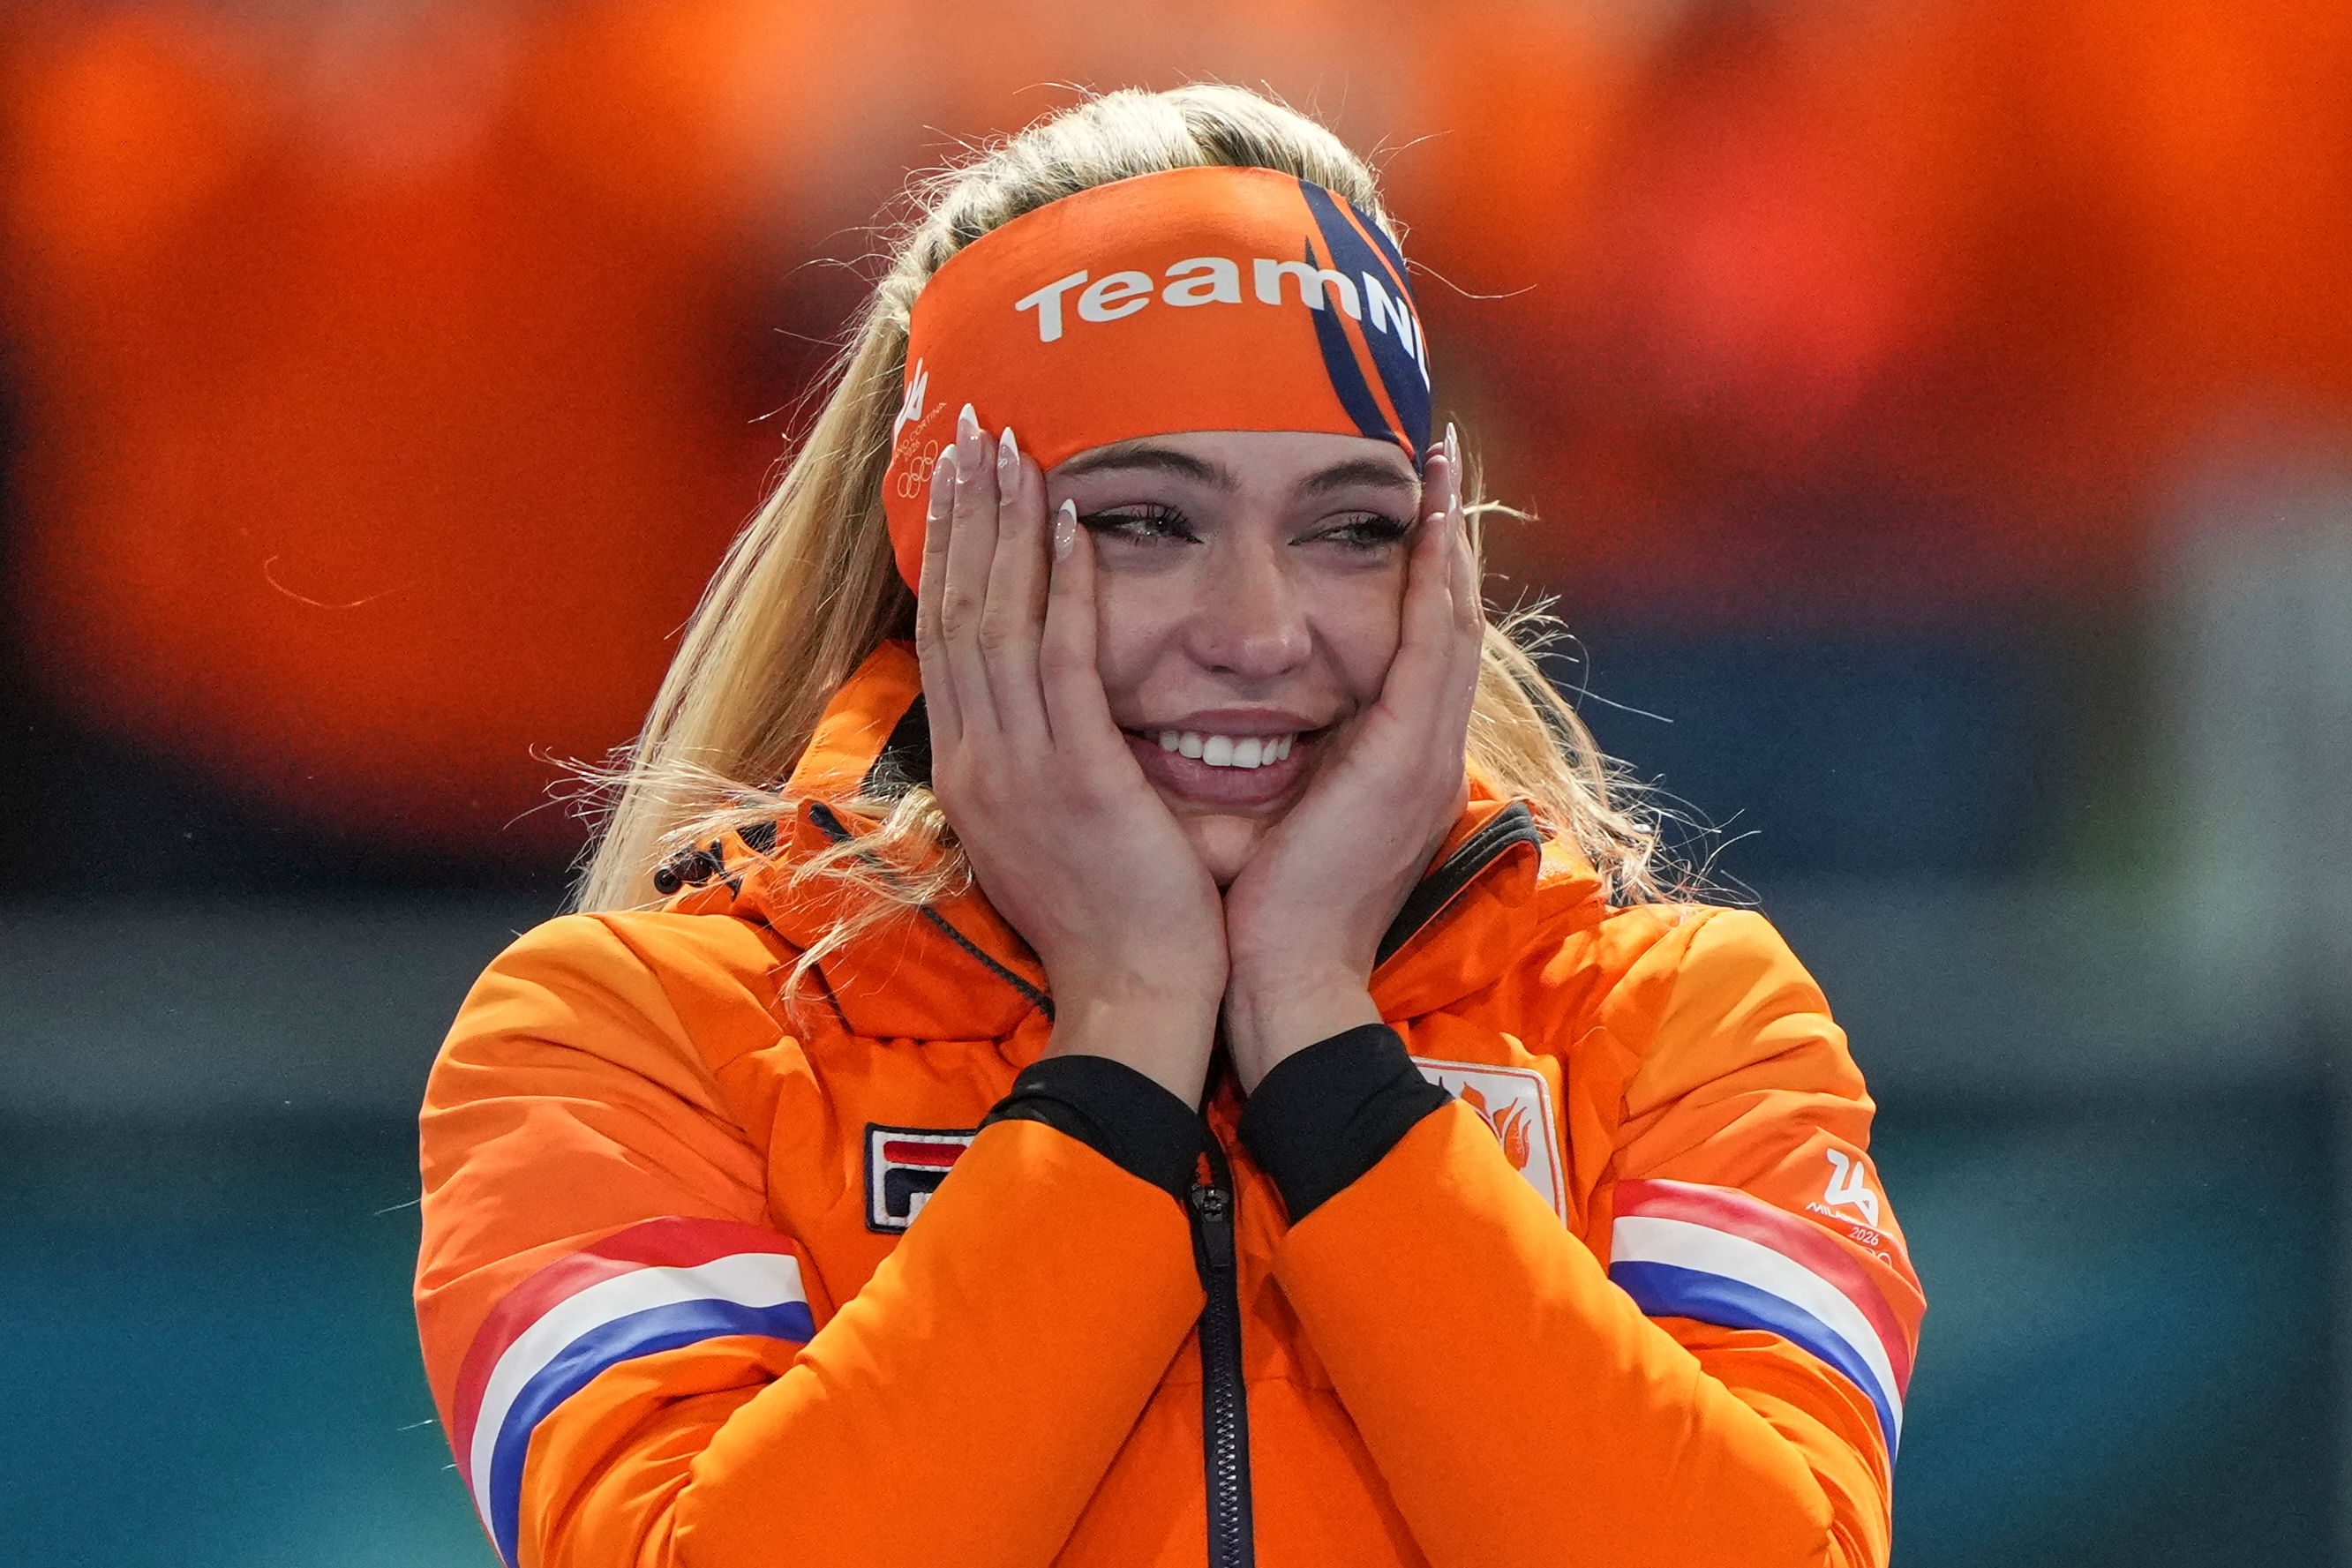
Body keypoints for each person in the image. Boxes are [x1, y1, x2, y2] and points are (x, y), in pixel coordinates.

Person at [414, 84, 1923, 1568]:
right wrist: (1126, 1035)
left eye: (1349, 528)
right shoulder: (620, 1041)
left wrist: (1324, 1047)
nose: (1260, 630)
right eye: (1144, 521)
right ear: (941, 550)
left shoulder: (1684, 1028)